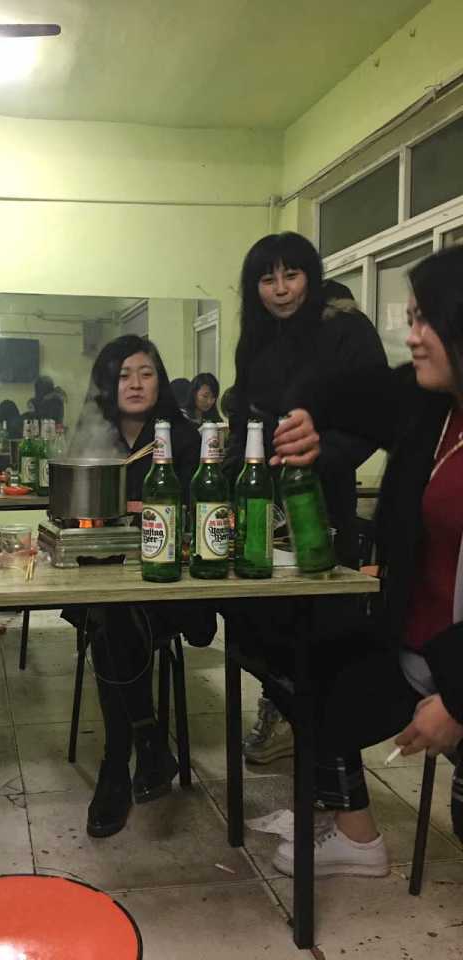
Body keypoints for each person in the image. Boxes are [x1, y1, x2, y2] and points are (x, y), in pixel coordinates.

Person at [267, 244, 463, 875]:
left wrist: (458, 700)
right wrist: (309, 421)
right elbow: (352, 391)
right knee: (311, 668)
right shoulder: (434, 407)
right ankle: (356, 838)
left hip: (456, 668)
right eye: (410, 320)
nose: (413, 338)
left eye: (426, 321)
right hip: (418, 649)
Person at [225, 232, 386, 765]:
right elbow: (243, 421)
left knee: (321, 633)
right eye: (266, 280)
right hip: (258, 504)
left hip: (322, 505)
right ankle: (283, 707)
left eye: (291, 276)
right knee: (256, 621)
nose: (280, 290)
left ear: (310, 277)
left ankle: (332, 765)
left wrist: (320, 452)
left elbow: (373, 420)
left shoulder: (344, 329)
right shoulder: (256, 339)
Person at [64, 335, 216, 839]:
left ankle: (119, 759)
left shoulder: (184, 440)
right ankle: (146, 745)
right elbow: (72, 509)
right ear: (107, 383)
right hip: (104, 583)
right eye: (123, 374)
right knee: (111, 612)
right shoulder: (92, 437)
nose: (134, 383)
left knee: (113, 619)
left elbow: (200, 512)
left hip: (172, 587)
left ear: (160, 380)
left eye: (146, 373)